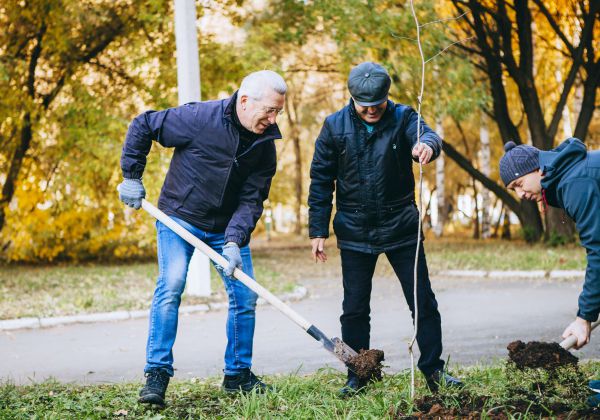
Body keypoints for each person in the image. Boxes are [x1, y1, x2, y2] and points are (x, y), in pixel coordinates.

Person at [118, 70, 287, 406]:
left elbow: (252, 199)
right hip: (179, 218)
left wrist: (234, 240)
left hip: (225, 229)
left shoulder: (265, 146)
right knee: (172, 284)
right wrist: (132, 176)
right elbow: (143, 125)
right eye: (268, 110)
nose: (272, 119)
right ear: (244, 100)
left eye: (278, 112)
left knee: (244, 295)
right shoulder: (199, 118)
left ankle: (237, 374)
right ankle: (157, 375)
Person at [308, 62, 462, 397]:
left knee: (422, 301)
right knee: (354, 307)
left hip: (401, 226)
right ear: (352, 99)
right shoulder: (334, 127)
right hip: (354, 228)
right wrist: (317, 230)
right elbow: (321, 180)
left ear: (386, 96)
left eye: (378, 102)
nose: (372, 109)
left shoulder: (404, 117)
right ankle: (358, 374)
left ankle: (434, 372)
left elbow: (430, 136)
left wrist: (427, 147)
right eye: (365, 104)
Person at [499, 138, 600, 407]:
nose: (520, 194)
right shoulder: (568, 176)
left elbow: (598, 250)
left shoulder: (575, 182)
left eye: (518, 184)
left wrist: (584, 316)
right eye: (513, 189)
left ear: (536, 169)